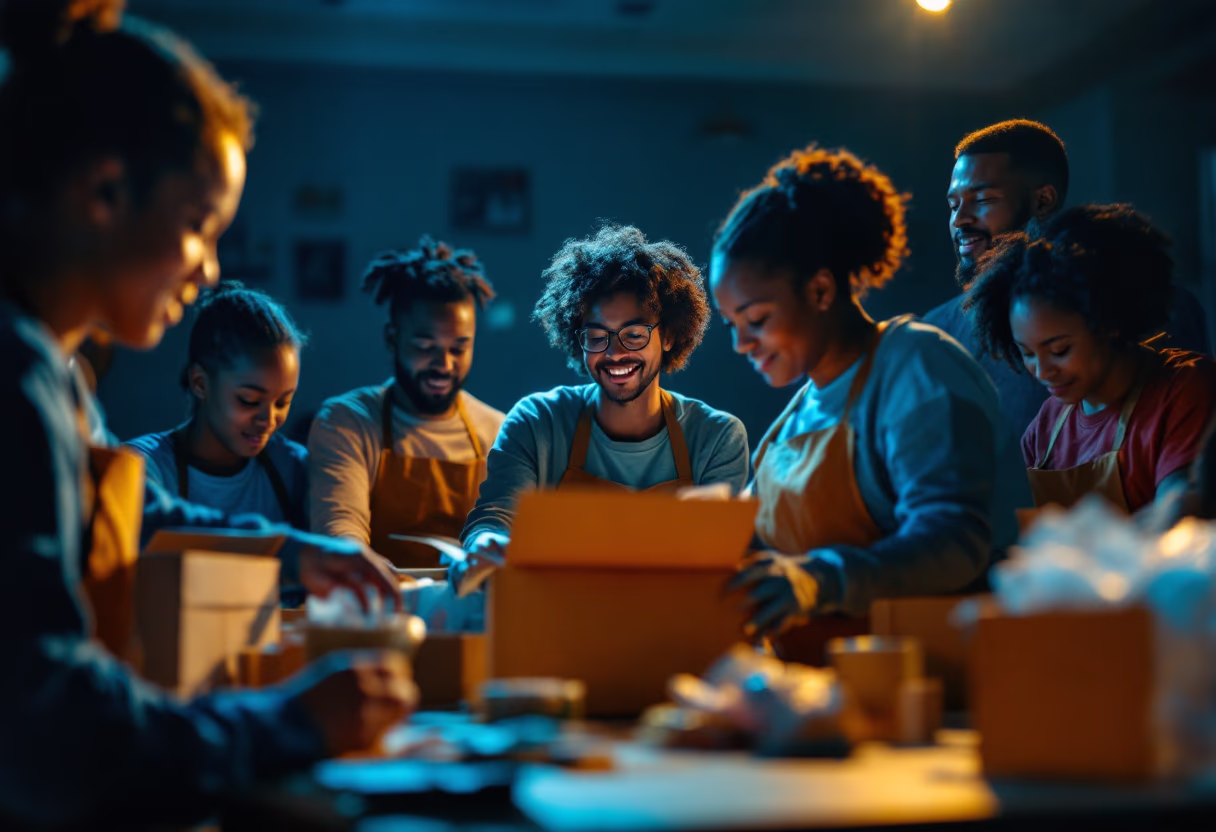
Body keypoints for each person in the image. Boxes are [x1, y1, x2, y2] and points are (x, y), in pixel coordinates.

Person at [0, 3, 413, 825]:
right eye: (198, 228)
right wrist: (288, 722)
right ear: (105, 192)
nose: (208, 268)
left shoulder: (58, 374)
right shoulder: (13, 378)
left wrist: (296, 552)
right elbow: (46, 729)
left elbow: (138, 511)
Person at [715, 146, 1030, 636]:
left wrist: (819, 580)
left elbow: (954, 542)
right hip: (832, 685)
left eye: (755, 319)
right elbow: (752, 545)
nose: (740, 343)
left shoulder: (918, 369)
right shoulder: (794, 419)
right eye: (732, 324)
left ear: (821, 291)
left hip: (943, 677)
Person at [460, 224, 750, 564]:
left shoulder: (717, 438)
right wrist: (487, 542)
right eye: (598, 336)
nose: (614, 353)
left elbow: (715, 556)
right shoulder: (537, 421)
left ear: (669, 336)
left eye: (634, 334)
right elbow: (494, 518)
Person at [925, 119, 1209, 436]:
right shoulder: (936, 333)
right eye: (953, 205)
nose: (960, 219)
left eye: (982, 200)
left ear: (1043, 200)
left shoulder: (1138, 302)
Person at [963, 204, 1216, 514]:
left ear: (1107, 321)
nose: (1042, 371)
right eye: (1028, 353)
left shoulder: (1186, 388)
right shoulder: (1047, 424)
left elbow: (1180, 516)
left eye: (1059, 351)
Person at [309, 237, 505, 567]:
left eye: (458, 348)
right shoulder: (348, 422)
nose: (444, 365)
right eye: (425, 346)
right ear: (392, 338)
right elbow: (339, 531)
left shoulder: (500, 432)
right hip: (377, 610)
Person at [128, 281, 309, 529]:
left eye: (282, 402)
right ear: (200, 383)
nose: (268, 419)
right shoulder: (144, 467)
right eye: (249, 400)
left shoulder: (292, 468)